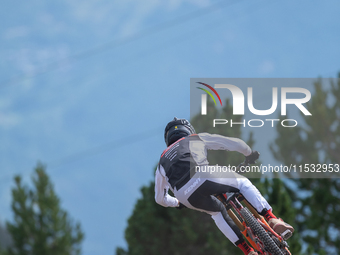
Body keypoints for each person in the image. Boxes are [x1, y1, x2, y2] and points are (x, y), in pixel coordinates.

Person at [154, 117, 294, 255]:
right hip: (204, 175)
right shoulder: (195, 138)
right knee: (242, 183)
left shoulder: (162, 162)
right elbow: (232, 143)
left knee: (217, 212)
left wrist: (177, 202)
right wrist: (249, 154)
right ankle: (271, 218)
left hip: (185, 195)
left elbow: (160, 198)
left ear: (168, 138)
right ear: (188, 130)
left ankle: (248, 251)